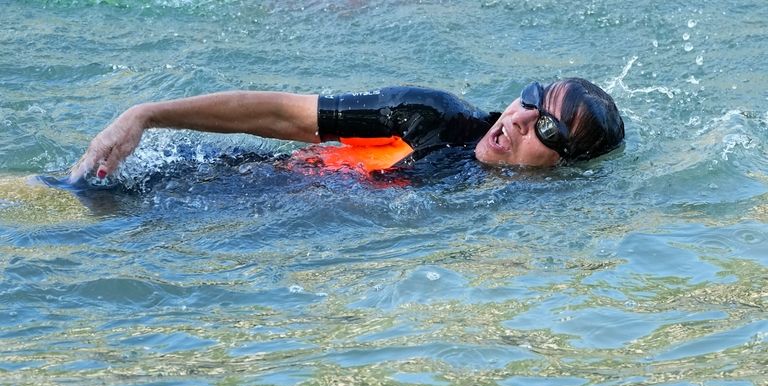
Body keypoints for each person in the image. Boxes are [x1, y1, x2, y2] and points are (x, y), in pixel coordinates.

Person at [68, 78, 625, 183]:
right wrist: (144, 114)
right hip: (211, 185)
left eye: (546, 128)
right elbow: (283, 114)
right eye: (529, 99)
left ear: (564, 165)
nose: (518, 119)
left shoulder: (527, 218)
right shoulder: (427, 116)